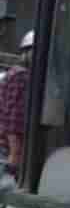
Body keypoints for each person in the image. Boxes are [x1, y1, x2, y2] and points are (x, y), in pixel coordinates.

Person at [0, 31, 33, 172]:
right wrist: (15, 153)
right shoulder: (21, 76)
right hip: (7, 150)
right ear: (26, 52)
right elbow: (12, 118)